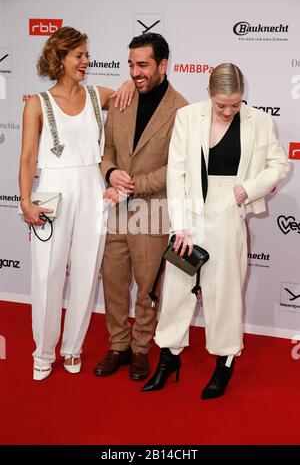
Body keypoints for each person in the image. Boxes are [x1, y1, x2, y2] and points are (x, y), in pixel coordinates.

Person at [141, 63, 290, 398]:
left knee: (224, 293)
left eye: (235, 105)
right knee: (177, 290)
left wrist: (250, 188)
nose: (227, 111)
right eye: (221, 104)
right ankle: (168, 358)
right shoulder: (188, 117)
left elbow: (280, 164)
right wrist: (180, 225)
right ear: (208, 93)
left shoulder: (260, 122)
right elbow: (176, 172)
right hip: (188, 216)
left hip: (228, 214)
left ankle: (224, 362)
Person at [19, 26, 134, 381]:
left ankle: (72, 348)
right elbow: (26, 158)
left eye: (86, 55)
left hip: (91, 189)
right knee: (46, 274)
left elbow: (129, 94)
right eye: (78, 55)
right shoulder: (37, 103)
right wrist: (25, 200)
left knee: (86, 274)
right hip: (52, 189)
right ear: (60, 58)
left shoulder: (98, 94)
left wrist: (128, 83)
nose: (86, 61)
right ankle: (43, 352)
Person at [93, 33, 188, 381]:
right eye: (131, 64)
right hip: (116, 209)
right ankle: (117, 345)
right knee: (114, 282)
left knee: (148, 286)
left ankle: (140, 349)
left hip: (152, 209)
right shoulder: (122, 98)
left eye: (143, 65)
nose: (135, 72)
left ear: (163, 66)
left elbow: (177, 166)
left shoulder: (181, 109)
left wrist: (133, 186)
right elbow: (106, 151)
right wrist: (111, 172)